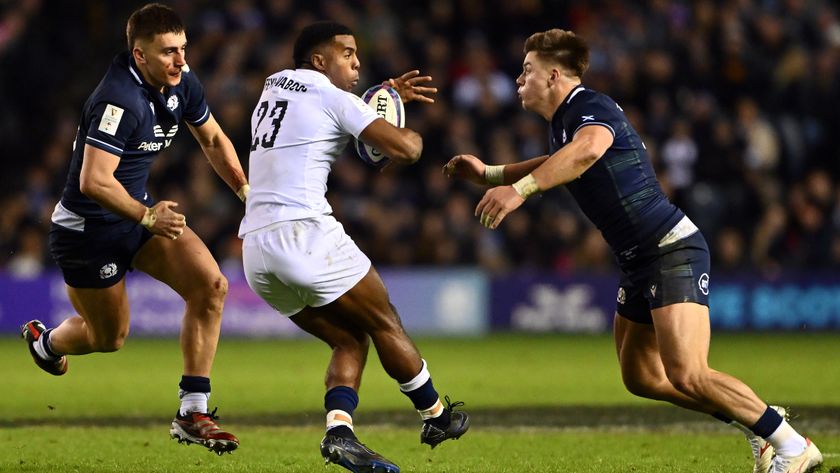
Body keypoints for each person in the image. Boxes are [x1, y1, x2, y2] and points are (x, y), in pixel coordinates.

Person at [444, 29, 822, 473]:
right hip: (638, 260)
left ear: (553, 75)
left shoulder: (589, 106)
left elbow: (588, 151)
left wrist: (519, 192)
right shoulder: (565, 121)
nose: (518, 80)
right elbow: (560, 158)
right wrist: (491, 174)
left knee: (688, 373)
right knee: (641, 376)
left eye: (527, 71)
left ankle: (793, 446)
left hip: (668, 247)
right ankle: (759, 422)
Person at [240, 21, 469, 473]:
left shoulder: (271, 89)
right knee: (385, 320)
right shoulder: (331, 97)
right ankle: (436, 417)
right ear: (320, 60)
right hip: (304, 234)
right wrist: (405, 127)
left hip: (256, 250)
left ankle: (339, 434)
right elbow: (404, 150)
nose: (357, 62)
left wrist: (381, 94)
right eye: (347, 53)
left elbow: (320, 126)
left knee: (350, 337)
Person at [21, 3, 246, 455]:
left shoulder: (182, 82)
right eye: (168, 52)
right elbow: (93, 180)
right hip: (88, 230)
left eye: (182, 49)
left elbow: (214, 139)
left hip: (137, 214)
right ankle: (46, 343)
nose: (181, 60)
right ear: (140, 56)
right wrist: (146, 217)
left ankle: (192, 412)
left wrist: (246, 194)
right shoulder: (117, 99)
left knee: (211, 286)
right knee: (110, 338)